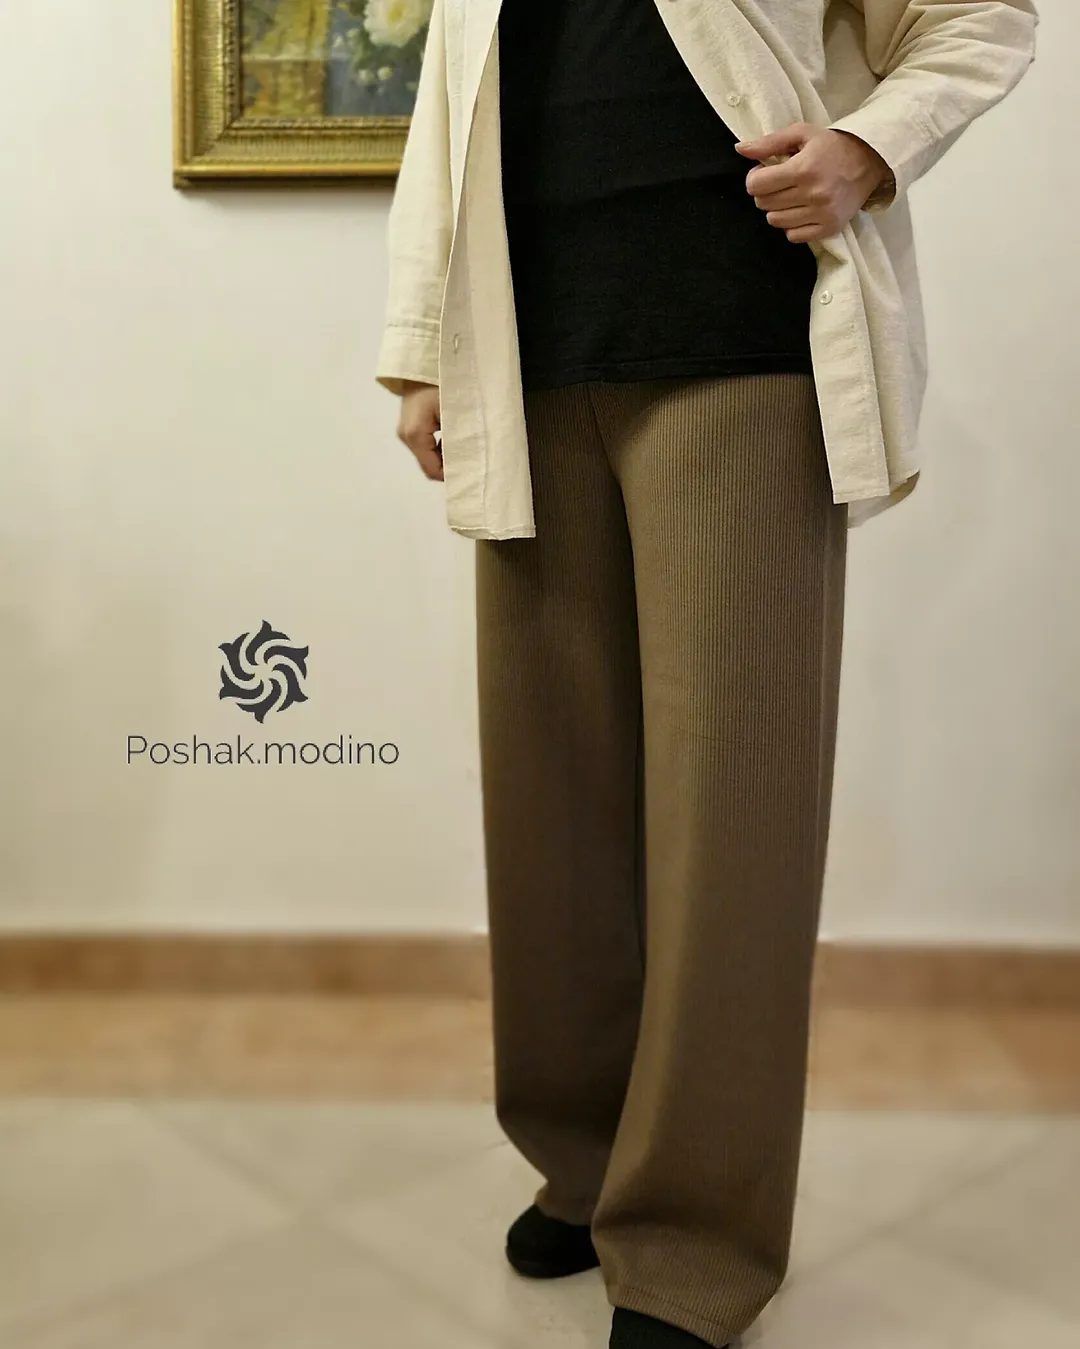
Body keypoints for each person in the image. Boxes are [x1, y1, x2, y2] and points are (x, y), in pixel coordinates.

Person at [374, 2, 1038, 1345]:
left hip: (740, 350)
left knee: (731, 824)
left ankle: (694, 1241)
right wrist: (421, 348)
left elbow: (979, 18)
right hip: (529, 362)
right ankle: (586, 1162)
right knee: (552, 809)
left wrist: (868, 147)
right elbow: (450, 104)